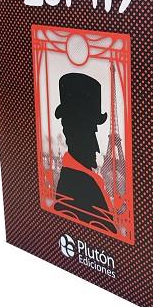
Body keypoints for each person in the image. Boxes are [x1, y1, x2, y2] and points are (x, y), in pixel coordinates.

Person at [54, 73, 116, 234]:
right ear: (72, 133)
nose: (96, 147)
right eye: (90, 133)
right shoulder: (82, 183)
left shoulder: (74, 178)